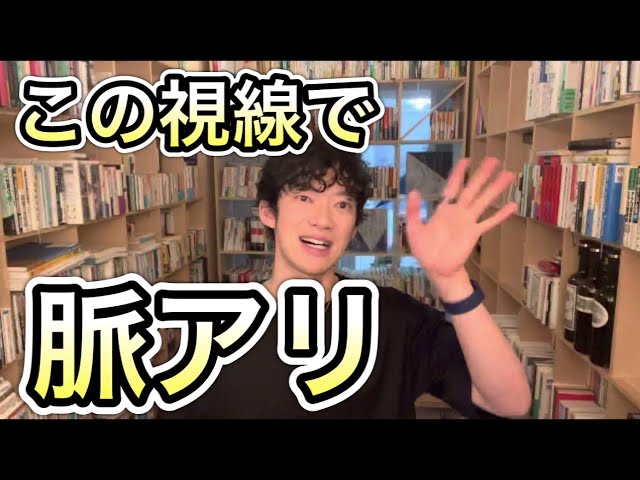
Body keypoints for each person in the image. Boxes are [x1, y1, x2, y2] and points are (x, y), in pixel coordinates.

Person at [159, 137, 532, 419]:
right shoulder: (213, 330)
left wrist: (452, 280)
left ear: (354, 225)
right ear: (269, 213)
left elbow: (510, 403)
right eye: (304, 197)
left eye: (341, 204)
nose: (323, 220)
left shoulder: (393, 319)